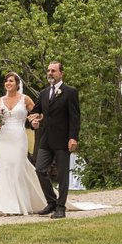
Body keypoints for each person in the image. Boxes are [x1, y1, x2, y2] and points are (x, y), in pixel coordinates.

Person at [0, 72, 48, 216]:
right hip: (3, 138)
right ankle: (4, 205)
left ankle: (20, 204)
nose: (8, 83)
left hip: (19, 137)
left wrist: (35, 120)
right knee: (4, 168)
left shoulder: (24, 99)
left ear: (17, 84)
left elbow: (38, 113)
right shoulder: (0, 101)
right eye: (6, 81)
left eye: (11, 81)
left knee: (17, 168)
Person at [28, 60, 80, 219]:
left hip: (63, 139)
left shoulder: (70, 92)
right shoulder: (43, 93)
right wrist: (33, 122)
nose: (50, 73)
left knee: (62, 175)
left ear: (61, 74)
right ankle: (51, 201)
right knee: (40, 169)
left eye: (53, 71)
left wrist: (73, 137)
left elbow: (75, 117)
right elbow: (35, 113)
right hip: (46, 139)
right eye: (49, 71)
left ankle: (61, 207)